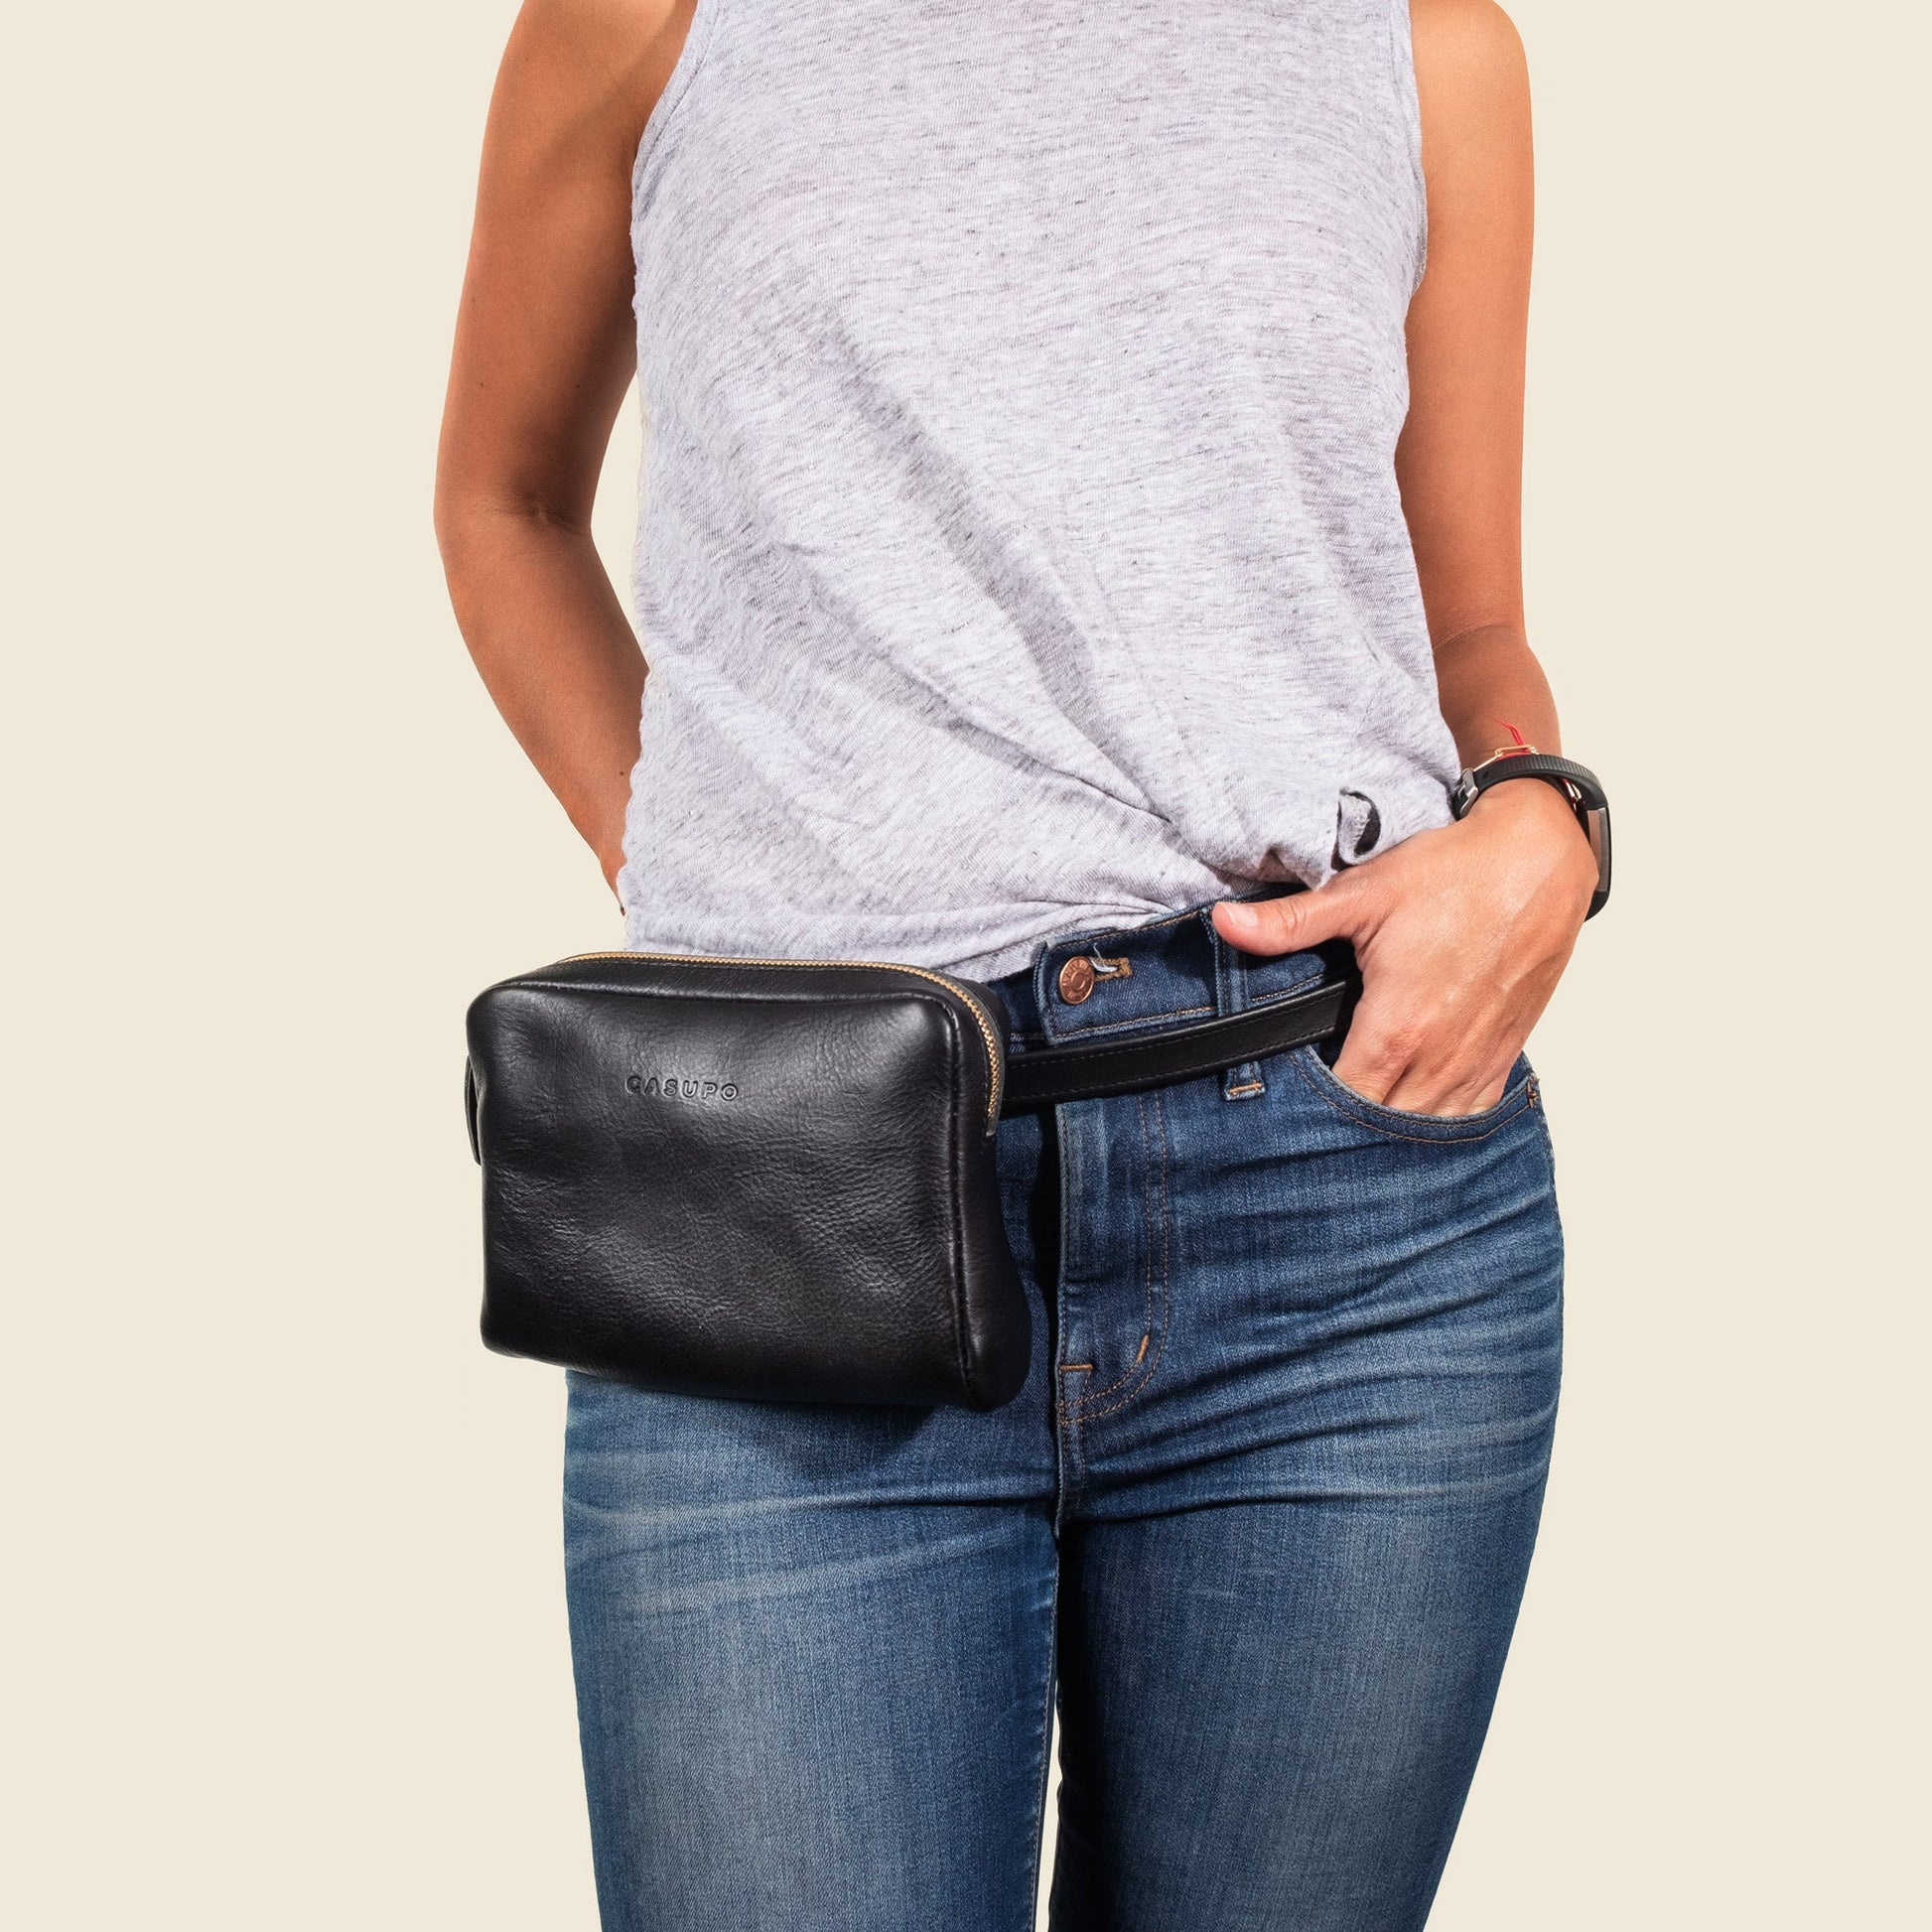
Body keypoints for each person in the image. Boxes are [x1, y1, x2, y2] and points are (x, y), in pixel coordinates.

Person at [435, 1, 1603, 1925]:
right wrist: (697, 849)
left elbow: (1466, 622)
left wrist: (1542, 818)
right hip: (788, 1205)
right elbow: (502, 500)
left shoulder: (1419, 44)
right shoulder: (646, 20)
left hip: (1344, 1208)